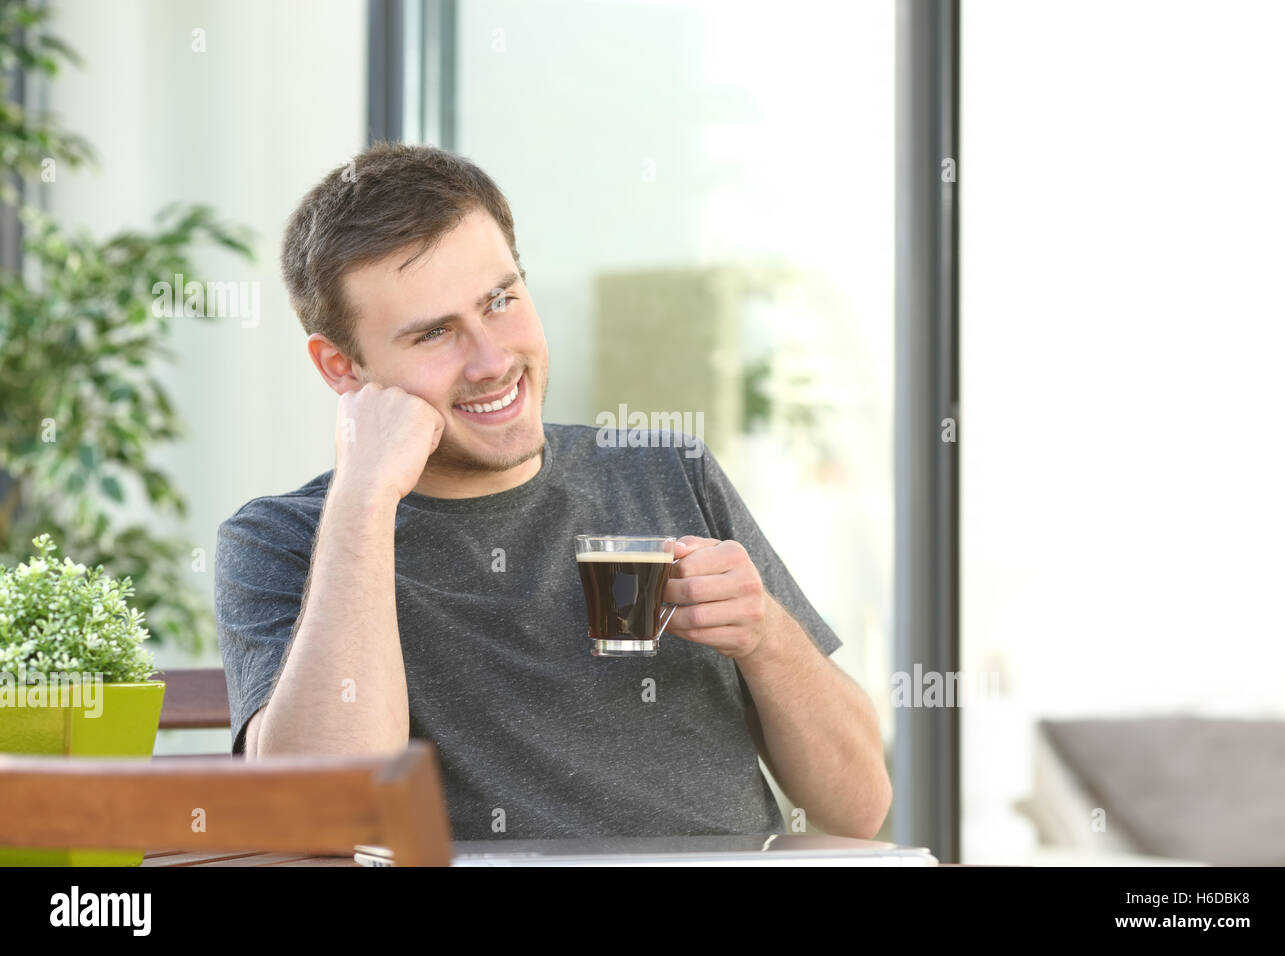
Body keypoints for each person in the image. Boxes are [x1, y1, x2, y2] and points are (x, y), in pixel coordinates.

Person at [215, 142, 890, 840]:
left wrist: (768, 638)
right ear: (341, 368)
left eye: (500, 300)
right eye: (434, 333)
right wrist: (363, 496)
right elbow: (326, 817)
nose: (493, 360)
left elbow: (858, 807)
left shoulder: (666, 470)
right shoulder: (284, 541)